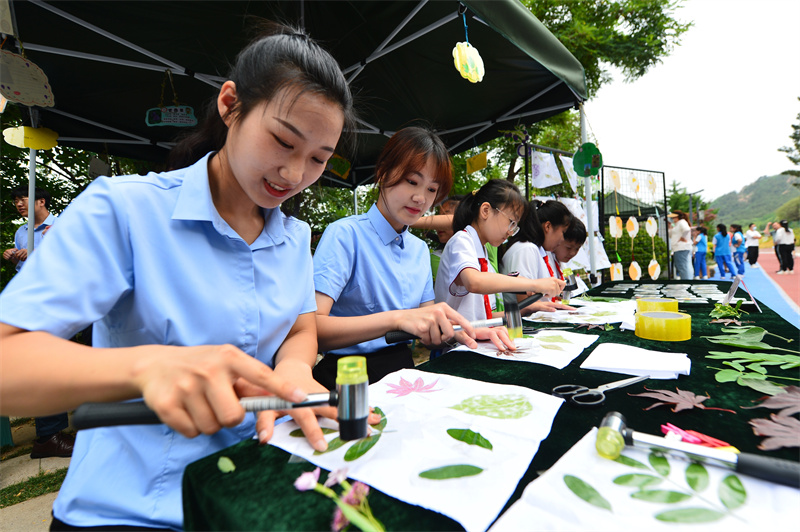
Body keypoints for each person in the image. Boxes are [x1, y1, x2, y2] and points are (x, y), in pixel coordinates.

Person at [0, 23, 372, 530]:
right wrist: (146, 369)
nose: (293, 174)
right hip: (129, 511)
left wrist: (293, 371)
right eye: (284, 142)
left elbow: (301, 326)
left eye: (318, 160)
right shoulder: (124, 209)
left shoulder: (293, 236)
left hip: (246, 495)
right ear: (230, 105)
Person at [312, 128, 515, 389]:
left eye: (431, 189)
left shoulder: (419, 250)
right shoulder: (344, 235)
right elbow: (313, 329)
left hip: (404, 374)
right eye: (411, 181)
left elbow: (429, 333)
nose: (421, 198)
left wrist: (467, 331)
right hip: (349, 377)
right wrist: (396, 319)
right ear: (384, 172)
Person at [2, 187, 74, 459]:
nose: (18, 204)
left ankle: (52, 433)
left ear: (41, 201)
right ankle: (49, 436)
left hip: (58, 301)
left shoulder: (61, 225)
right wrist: (13, 256)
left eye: (23, 198)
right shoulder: (21, 232)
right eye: (16, 200)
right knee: (47, 367)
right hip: (32, 305)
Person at [434, 180, 564, 322]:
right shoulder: (461, 240)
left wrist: (523, 309)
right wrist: (534, 284)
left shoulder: (482, 253)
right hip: (453, 342)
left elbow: (481, 319)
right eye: (511, 222)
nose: (511, 232)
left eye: (515, 226)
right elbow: (474, 282)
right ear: (485, 211)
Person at [500, 199, 575, 310]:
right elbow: (524, 303)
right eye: (563, 233)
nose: (562, 240)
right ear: (548, 226)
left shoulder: (539, 250)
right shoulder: (525, 249)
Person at [667, 210, 692, 280]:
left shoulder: (681, 222)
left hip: (681, 247)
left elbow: (687, 229)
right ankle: (686, 281)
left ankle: (685, 282)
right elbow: (671, 235)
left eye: (673, 218)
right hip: (679, 248)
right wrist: (669, 227)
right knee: (682, 266)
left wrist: (683, 237)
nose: (672, 219)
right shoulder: (677, 224)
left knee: (682, 266)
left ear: (676, 217)